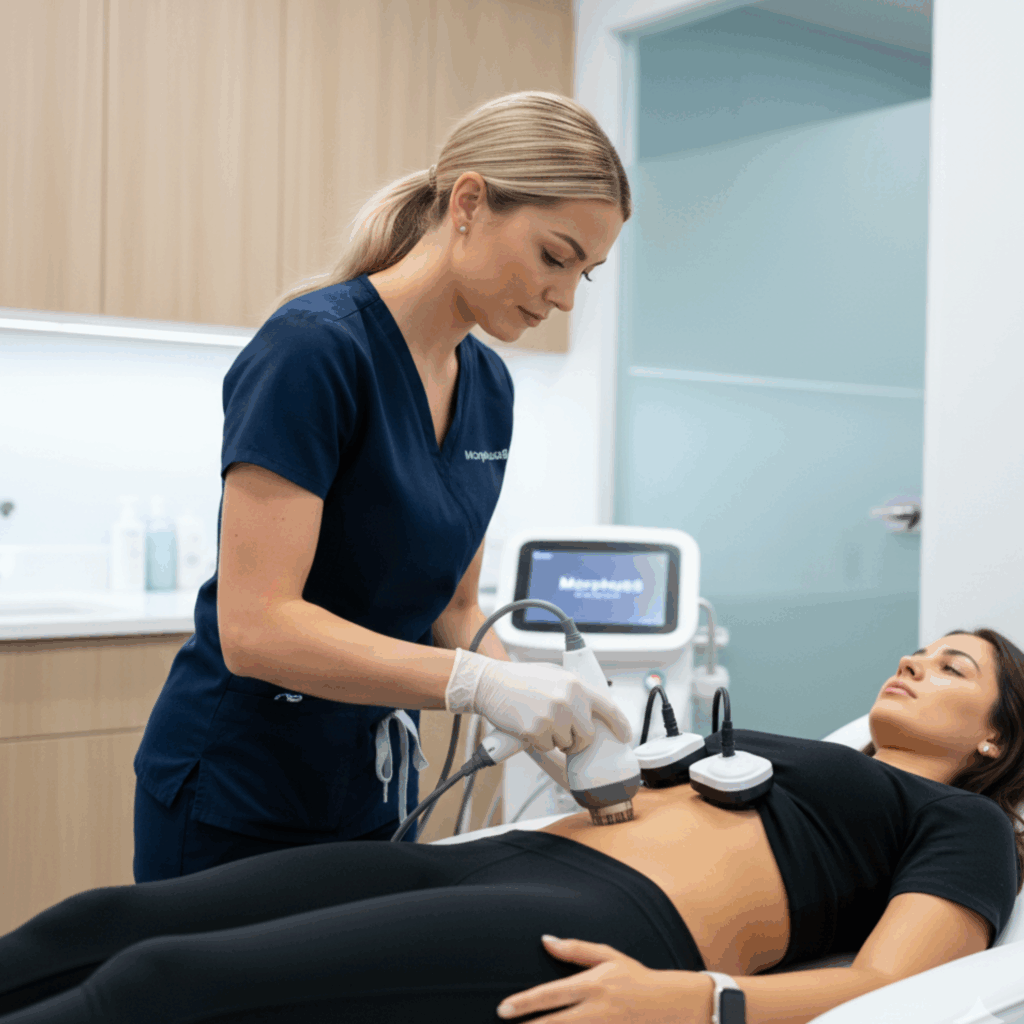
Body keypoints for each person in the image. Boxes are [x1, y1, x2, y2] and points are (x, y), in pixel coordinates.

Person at [1, 629, 1021, 1024]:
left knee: (164, 981)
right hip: (499, 860)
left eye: (953, 668)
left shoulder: (964, 823)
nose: (914, 662)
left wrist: (697, 1002)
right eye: (920, 649)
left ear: (995, 738)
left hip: (604, 919)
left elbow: (891, 986)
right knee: (103, 921)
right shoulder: (795, 748)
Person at [131, 90, 633, 881]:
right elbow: (256, 627)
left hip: (373, 793)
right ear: (469, 202)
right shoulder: (314, 351)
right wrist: (478, 684)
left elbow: (455, 608)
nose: (565, 296)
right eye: (554, 256)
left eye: (586, 275)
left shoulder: (489, 388)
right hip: (239, 795)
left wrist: (550, 718)